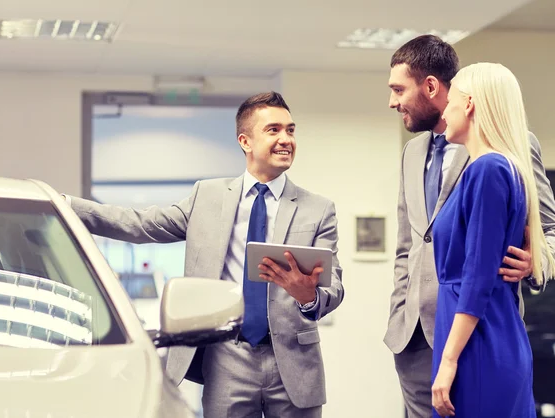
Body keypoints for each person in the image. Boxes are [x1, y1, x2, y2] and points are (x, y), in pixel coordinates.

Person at [64, 92, 344, 418]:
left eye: (291, 130)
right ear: (245, 141)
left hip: (295, 362)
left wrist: (307, 297)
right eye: (274, 130)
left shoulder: (318, 209)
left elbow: (334, 288)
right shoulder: (207, 197)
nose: (286, 139)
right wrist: (65, 206)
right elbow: (139, 225)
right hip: (227, 358)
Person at [384, 34, 555, 418]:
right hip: (414, 334)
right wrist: (400, 310)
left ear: (431, 87)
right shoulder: (412, 152)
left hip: (475, 325)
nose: (392, 102)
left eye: (398, 89)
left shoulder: (502, 152)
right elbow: (408, 245)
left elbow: (545, 228)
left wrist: (537, 261)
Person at [430, 62, 555, 417]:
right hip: (471, 330)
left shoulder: (489, 169)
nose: (446, 110)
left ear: (468, 104)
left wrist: (450, 359)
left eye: (450, 100)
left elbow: (478, 276)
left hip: (479, 338)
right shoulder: (488, 167)